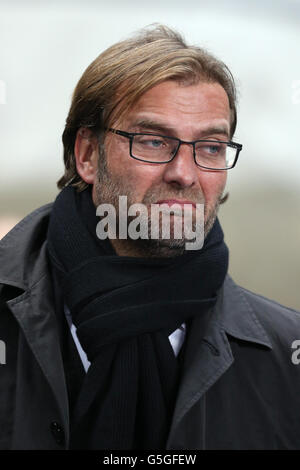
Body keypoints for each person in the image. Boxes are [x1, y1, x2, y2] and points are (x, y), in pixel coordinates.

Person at [0, 24, 300, 451]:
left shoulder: (285, 354)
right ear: (87, 154)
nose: (184, 173)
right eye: (155, 141)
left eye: (211, 147)